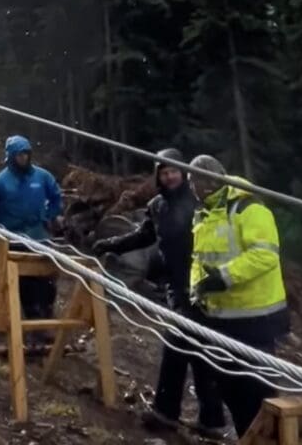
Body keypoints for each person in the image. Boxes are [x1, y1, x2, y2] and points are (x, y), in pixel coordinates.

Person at [92, 149, 225, 439]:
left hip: (204, 284)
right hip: (175, 286)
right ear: (158, 177)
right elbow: (144, 235)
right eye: (163, 173)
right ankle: (201, 417)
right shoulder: (156, 206)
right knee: (187, 345)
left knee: (191, 347)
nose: (169, 177)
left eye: (173, 171)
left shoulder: (198, 201)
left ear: (183, 172)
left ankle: (189, 415)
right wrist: (111, 243)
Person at [187, 155, 290, 438]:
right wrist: (198, 288)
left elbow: (265, 255)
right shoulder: (204, 213)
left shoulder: (248, 208)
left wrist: (224, 276)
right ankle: (248, 436)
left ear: (212, 180)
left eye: (199, 180)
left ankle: (273, 439)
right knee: (228, 386)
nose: (195, 187)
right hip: (221, 316)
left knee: (257, 390)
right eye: (192, 182)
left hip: (256, 316)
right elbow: (200, 259)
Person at [0, 136, 63, 338]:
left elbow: (56, 196)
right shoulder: (0, 182)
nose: (24, 158)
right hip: (14, 239)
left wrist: (50, 216)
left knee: (47, 279)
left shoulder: (42, 177)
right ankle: (31, 323)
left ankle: (46, 319)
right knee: (25, 283)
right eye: (19, 154)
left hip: (40, 236)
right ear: (11, 156)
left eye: (26, 153)